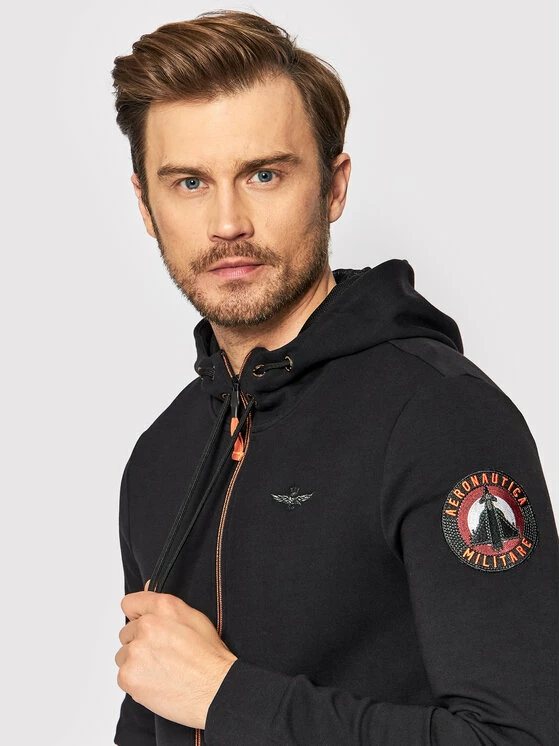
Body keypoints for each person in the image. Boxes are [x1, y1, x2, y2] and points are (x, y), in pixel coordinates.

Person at [112, 10, 557, 746]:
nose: (227, 222)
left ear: (334, 186)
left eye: (264, 174)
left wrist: (229, 698)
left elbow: (518, 739)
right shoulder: (162, 456)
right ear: (146, 207)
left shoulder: (440, 418)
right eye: (189, 182)